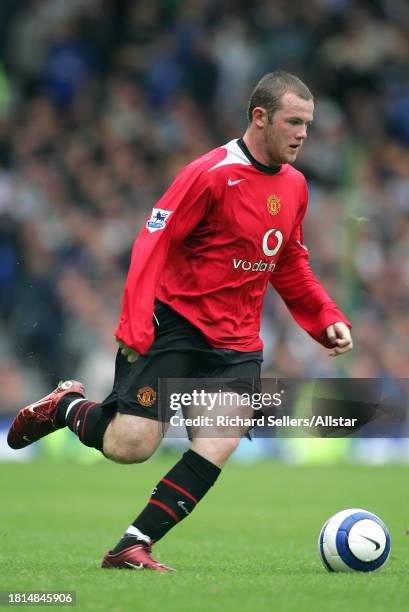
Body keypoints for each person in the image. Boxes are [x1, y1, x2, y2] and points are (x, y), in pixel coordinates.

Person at [8, 71, 353, 571]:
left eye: (308, 124)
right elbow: (153, 241)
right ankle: (66, 406)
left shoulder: (296, 186)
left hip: (236, 341)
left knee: (220, 438)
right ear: (260, 118)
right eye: (293, 122)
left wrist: (326, 319)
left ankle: (132, 543)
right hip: (175, 325)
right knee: (131, 446)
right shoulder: (210, 173)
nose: (303, 134)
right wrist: (133, 323)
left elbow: (290, 261)